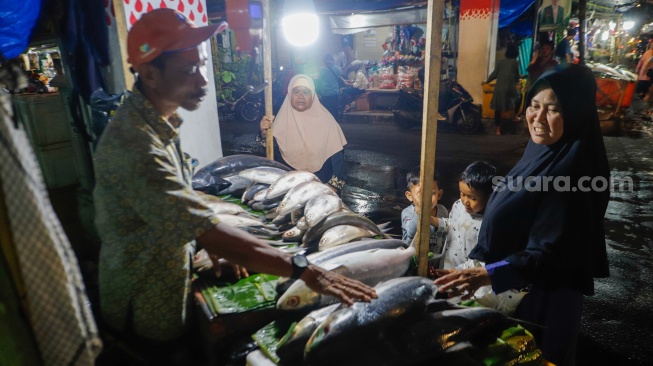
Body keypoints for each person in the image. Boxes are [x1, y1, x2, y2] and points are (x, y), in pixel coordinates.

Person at [93, 9, 376, 363]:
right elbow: (204, 226)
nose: (203, 82)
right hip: (146, 302)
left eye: (200, 67)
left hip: (167, 277)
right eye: (189, 71)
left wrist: (206, 242)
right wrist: (305, 269)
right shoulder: (136, 146)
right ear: (149, 74)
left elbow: (178, 206)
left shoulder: (157, 125)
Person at [434, 64, 610, 366]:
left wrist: (485, 274)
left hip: (545, 299)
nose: (538, 119)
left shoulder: (572, 172)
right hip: (519, 286)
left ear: (576, 112)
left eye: (553, 110)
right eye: (534, 106)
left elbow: (550, 252)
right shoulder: (543, 152)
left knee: (534, 357)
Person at [259, 74, 348, 193]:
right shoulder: (278, 122)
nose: (301, 96)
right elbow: (269, 156)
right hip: (287, 188)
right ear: (290, 94)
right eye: (296, 92)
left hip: (320, 187)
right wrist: (264, 134)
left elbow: (338, 158)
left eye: (306, 92)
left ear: (313, 96)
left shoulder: (327, 122)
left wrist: (333, 187)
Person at [439, 161, 496, 270]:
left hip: (468, 275)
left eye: (473, 198)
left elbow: (481, 260)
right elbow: (452, 225)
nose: (465, 201)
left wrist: (457, 272)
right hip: (447, 266)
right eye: (462, 194)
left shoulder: (489, 223)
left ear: (489, 196)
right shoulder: (458, 206)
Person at [401, 167, 449, 268]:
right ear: (409, 196)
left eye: (432, 193)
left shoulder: (443, 211)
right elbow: (412, 232)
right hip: (412, 262)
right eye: (420, 194)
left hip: (435, 262)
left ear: (439, 194)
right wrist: (419, 211)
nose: (426, 198)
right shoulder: (407, 213)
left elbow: (446, 232)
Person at [486, 44, 520, 135]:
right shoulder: (516, 63)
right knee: (518, 99)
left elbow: (493, 75)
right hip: (510, 89)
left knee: (498, 108)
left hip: (499, 89)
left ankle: (498, 130)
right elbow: (516, 77)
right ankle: (515, 116)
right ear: (516, 53)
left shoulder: (500, 62)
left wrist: (487, 81)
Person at [317, 54, 345, 121]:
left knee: (327, 109)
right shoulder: (337, 68)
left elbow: (319, 80)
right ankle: (335, 124)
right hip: (335, 91)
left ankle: (328, 124)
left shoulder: (321, 70)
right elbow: (339, 76)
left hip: (325, 92)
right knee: (335, 109)